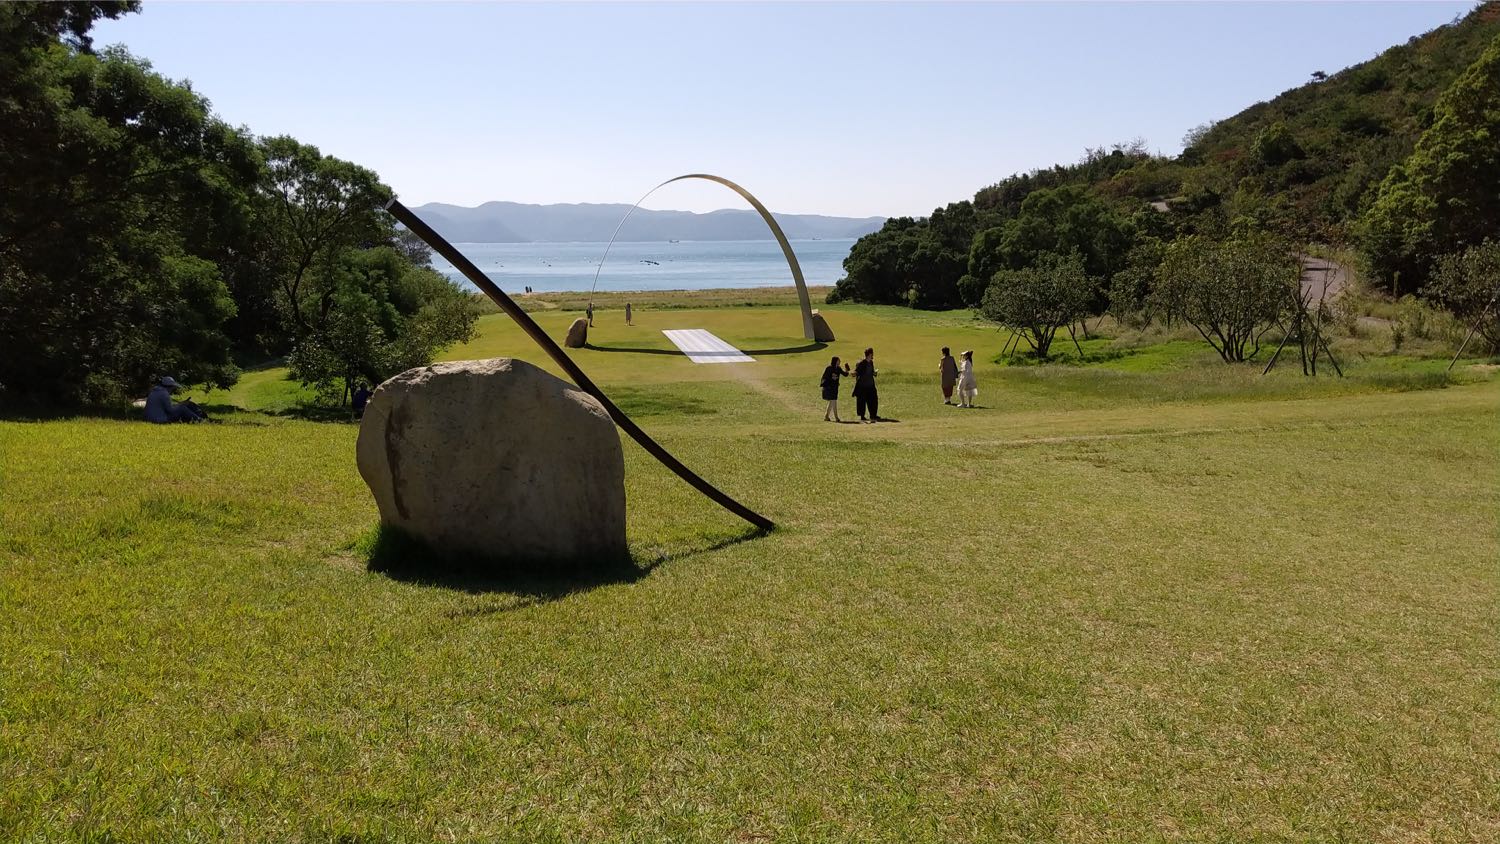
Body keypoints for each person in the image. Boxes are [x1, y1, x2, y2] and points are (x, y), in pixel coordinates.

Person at [852, 347, 881, 422]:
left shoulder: (871, 362)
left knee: (873, 400)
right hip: (862, 386)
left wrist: (874, 373)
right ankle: (862, 416)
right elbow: (856, 372)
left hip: (871, 385)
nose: (873, 355)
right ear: (870, 354)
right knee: (862, 401)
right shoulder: (862, 363)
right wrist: (853, 373)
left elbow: (871, 372)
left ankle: (873, 415)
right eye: (872, 354)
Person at [820, 355, 850, 422]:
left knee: (832, 402)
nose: (840, 361)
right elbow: (825, 378)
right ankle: (836, 418)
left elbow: (845, 374)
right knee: (834, 402)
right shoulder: (829, 368)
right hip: (829, 388)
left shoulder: (838, 368)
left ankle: (826, 416)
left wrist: (847, 370)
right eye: (839, 360)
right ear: (835, 361)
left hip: (835, 388)